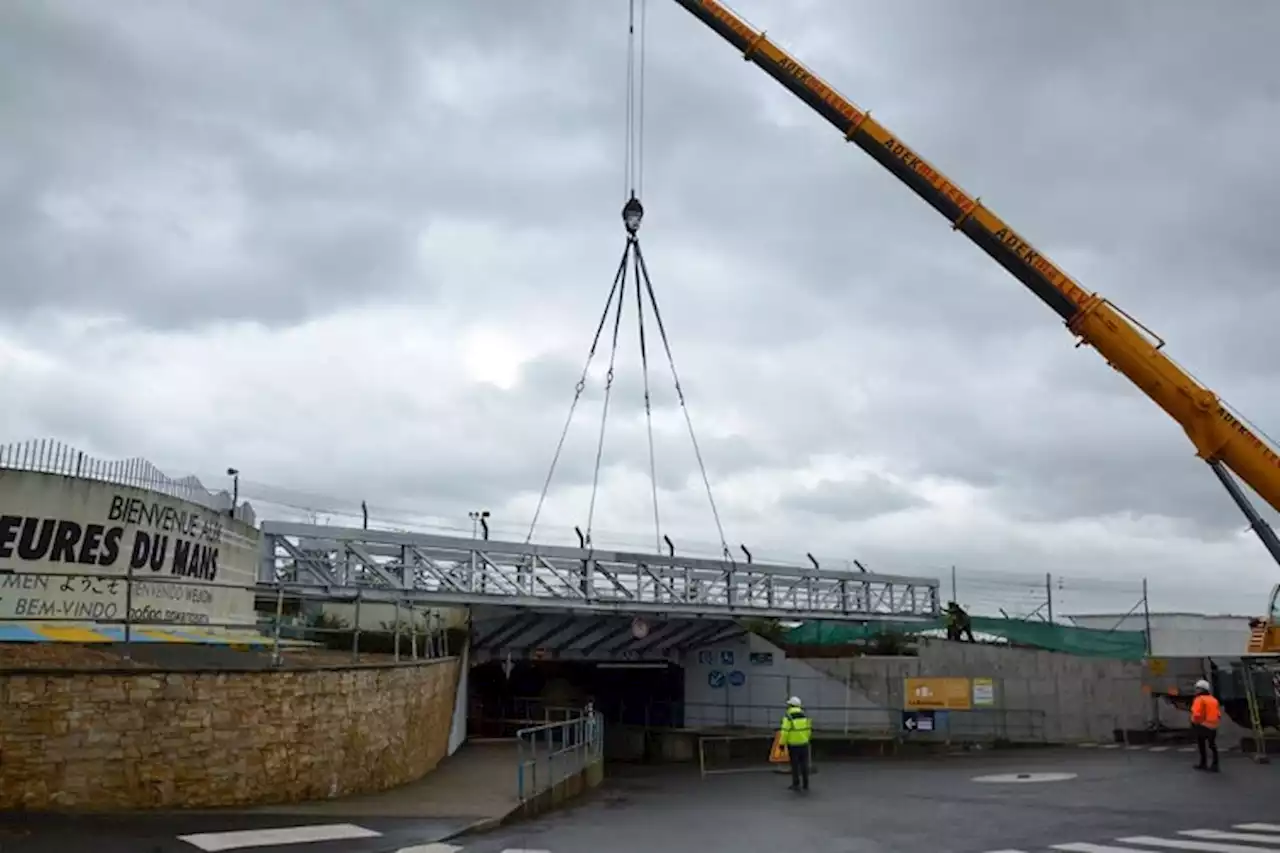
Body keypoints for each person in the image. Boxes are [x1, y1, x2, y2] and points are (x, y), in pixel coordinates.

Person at [780, 696, 812, 791]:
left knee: (795, 765)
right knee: (804, 764)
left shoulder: (788, 716)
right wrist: (806, 739)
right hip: (804, 743)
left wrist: (782, 743)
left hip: (793, 744)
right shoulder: (805, 715)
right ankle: (806, 783)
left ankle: (796, 783)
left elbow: (785, 731)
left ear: (790, 705)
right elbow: (808, 730)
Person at [1190, 678, 1221, 772]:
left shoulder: (1199, 699)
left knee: (1202, 745)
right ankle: (1215, 765)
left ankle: (1203, 763)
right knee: (1212, 745)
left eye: (1197, 688)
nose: (1196, 690)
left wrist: (1195, 722)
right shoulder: (1213, 700)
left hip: (1202, 725)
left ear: (1201, 689)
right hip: (1213, 726)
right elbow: (1218, 714)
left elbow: (1196, 714)